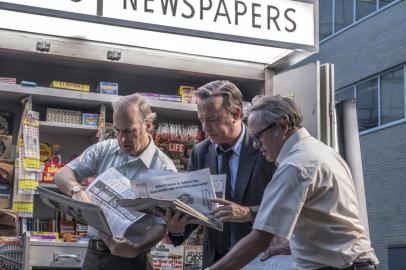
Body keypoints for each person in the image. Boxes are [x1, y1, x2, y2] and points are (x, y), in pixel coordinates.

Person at [205, 95, 379, 270]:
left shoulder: (295, 165)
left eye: (258, 137)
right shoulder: (323, 152)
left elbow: (260, 238)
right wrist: (292, 245)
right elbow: (327, 218)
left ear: (282, 126)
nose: (256, 146)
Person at [163, 80, 279, 268]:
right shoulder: (201, 152)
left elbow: (283, 208)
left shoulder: (265, 148)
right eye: (201, 119)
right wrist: (177, 228)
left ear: (236, 114)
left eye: (213, 119)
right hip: (215, 258)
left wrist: (247, 212)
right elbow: (195, 208)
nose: (205, 127)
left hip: (259, 259)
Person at [54, 93, 177, 270]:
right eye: (118, 130)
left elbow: (162, 224)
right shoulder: (105, 149)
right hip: (94, 255)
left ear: (148, 125)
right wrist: (77, 192)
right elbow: (62, 174)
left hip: (132, 259)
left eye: (129, 130)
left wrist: (137, 248)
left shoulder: (164, 169)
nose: (122, 138)